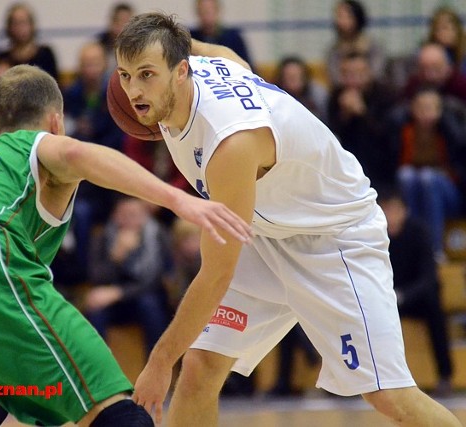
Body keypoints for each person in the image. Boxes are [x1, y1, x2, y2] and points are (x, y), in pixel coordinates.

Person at [114, 12, 462, 426]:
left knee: (390, 397)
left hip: (334, 240)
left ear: (180, 72)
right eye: (124, 75)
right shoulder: (203, 65)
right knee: (200, 368)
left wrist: (158, 361)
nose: (133, 89)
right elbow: (221, 54)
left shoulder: (231, 141)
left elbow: (216, 274)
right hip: (267, 231)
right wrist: (170, 39)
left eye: (146, 74)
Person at [0, 64, 252, 426]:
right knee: (107, 403)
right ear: (56, 122)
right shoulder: (35, 144)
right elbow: (74, 153)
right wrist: (178, 200)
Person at [377, 186, 454, 397]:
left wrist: (401, 296)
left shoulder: (420, 232)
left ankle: (445, 375)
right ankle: (369, 379)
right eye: (385, 210)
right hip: (387, 298)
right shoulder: (375, 235)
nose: (389, 216)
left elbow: (429, 279)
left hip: (415, 297)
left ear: (404, 210)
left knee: (435, 309)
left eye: (393, 210)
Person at [63, 41, 126, 272]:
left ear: (105, 65)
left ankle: (82, 273)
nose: (91, 70)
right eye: (86, 64)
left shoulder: (116, 96)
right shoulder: (70, 94)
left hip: (103, 181)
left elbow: (117, 142)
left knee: (80, 211)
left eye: (95, 64)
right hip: (74, 174)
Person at [85, 196, 171, 353]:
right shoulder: (104, 236)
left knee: (150, 305)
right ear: (114, 216)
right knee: (95, 309)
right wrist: (117, 255)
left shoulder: (158, 235)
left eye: (134, 215)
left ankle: (153, 368)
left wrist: (119, 293)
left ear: (145, 216)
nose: (128, 220)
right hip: (113, 299)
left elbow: (155, 280)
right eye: (123, 215)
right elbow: (96, 276)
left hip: (143, 295)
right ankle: (99, 368)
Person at [387, 86, 465, 257]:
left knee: (428, 178)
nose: (425, 113)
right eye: (421, 107)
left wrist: (448, 126)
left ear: (440, 110)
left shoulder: (451, 129)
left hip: (448, 193)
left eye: (431, 108)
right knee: (406, 175)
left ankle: (434, 248)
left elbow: (459, 164)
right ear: (413, 109)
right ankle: (414, 245)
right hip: (415, 186)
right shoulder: (403, 128)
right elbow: (394, 164)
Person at [327, 51, 398, 188]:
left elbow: (386, 135)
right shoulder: (336, 95)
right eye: (347, 74)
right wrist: (344, 115)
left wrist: (362, 113)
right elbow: (331, 134)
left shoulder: (385, 93)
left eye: (359, 74)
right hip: (346, 157)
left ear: (369, 73)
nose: (353, 79)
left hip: (380, 159)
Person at [325, 0, 386, 86]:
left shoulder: (373, 46)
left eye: (344, 16)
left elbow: (377, 73)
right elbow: (334, 77)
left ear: (357, 18)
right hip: (343, 92)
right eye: (338, 16)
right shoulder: (334, 49)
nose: (339, 21)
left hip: (370, 91)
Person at [0, 2, 59, 82]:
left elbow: (54, 85)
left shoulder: (45, 54)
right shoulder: (4, 58)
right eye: (15, 23)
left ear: (32, 25)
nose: (20, 28)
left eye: (23, 22)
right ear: (9, 27)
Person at [189, 0, 253, 71]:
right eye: (203, 11)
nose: (207, 15)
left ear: (218, 11)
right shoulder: (191, 38)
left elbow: (248, 68)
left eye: (210, 10)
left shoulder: (233, 38)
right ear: (198, 13)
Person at [274, 55, 328, 123]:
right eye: (289, 77)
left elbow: (327, 120)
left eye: (297, 76)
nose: (293, 81)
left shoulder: (317, 94)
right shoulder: (274, 96)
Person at [427, 6, 466, 76]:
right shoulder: (430, 53)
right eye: (437, 29)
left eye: (445, 28)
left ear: (456, 29)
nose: (441, 33)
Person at [97, 2, 135, 69]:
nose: (122, 27)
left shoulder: (141, 45)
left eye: (126, 22)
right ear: (112, 22)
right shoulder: (99, 45)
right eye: (119, 21)